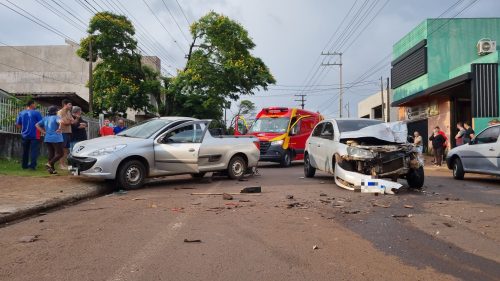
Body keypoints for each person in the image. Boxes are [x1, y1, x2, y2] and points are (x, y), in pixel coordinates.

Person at [15, 100, 43, 170]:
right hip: (35, 134)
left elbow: (18, 124)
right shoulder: (36, 113)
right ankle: (32, 166)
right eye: (35, 104)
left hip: (24, 134)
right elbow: (41, 123)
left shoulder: (21, 113)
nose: (35, 105)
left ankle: (24, 166)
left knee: (25, 151)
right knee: (34, 151)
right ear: (31, 105)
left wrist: (24, 128)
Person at [36, 106, 63, 174]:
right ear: (56, 112)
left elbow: (36, 125)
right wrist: (59, 128)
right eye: (57, 111)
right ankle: (49, 163)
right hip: (56, 138)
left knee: (52, 154)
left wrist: (43, 132)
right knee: (60, 154)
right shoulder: (56, 117)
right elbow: (60, 122)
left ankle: (52, 170)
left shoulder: (45, 118)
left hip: (47, 138)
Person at [57, 99, 75, 169]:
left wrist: (68, 121)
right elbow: (63, 122)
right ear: (65, 105)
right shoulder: (60, 112)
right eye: (70, 104)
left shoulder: (69, 112)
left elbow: (72, 121)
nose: (71, 106)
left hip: (68, 132)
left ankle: (63, 164)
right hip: (62, 132)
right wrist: (69, 121)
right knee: (62, 149)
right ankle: (61, 164)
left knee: (66, 150)